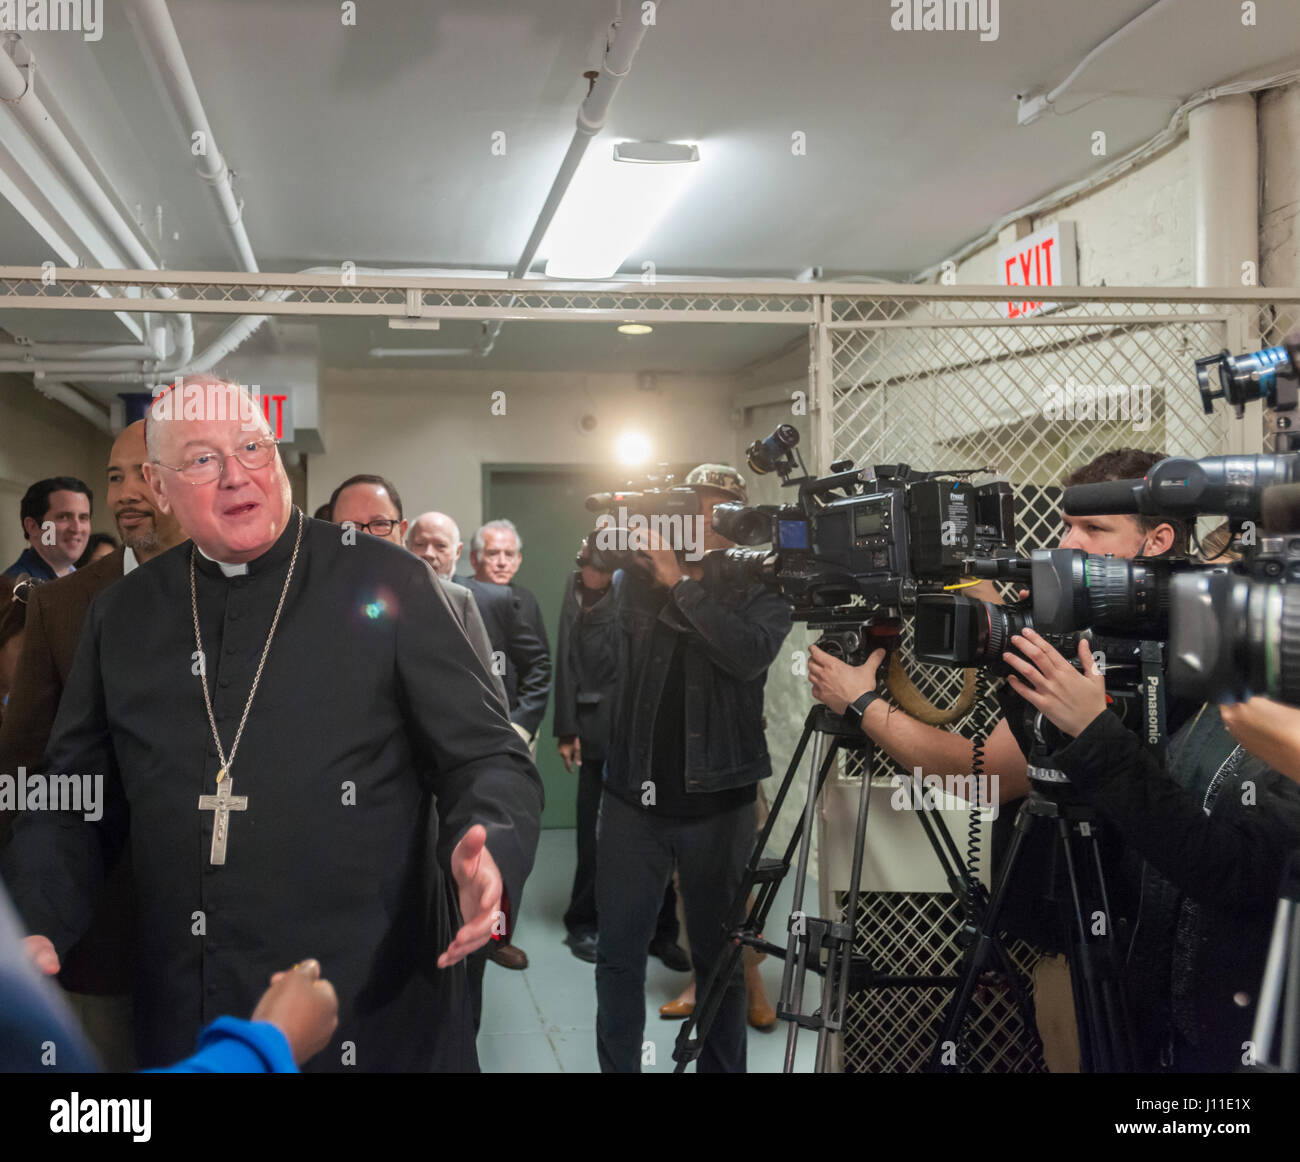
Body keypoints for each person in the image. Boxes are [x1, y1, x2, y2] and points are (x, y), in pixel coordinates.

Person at [2, 378, 543, 1072]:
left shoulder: (391, 580)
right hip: (190, 1007)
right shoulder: (123, 615)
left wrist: (490, 847)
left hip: (370, 1006)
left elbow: (487, 756)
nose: (236, 475)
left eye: (253, 447)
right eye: (201, 459)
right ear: (159, 488)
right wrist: (36, 914)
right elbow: (73, 798)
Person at [806, 448, 1188, 1071]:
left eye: (1094, 530)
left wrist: (860, 704)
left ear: (1158, 539)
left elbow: (984, 773)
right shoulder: (1097, 621)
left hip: (1102, 949)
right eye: (1067, 525)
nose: (1068, 543)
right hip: (1075, 934)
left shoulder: (1133, 653)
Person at [0, 420, 188, 1071]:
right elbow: (25, 766)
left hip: (218, 930)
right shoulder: (61, 605)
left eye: (146, 473)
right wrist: (34, 907)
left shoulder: (238, 593)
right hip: (99, 923)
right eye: (115, 475)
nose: (128, 491)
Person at [596, 463, 792, 1073]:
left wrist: (682, 583)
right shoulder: (636, 581)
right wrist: (622, 567)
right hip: (632, 799)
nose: (705, 524)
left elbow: (748, 654)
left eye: (719, 513)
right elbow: (603, 650)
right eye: (695, 510)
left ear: (738, 522)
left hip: (719, 802)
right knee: (618, 957)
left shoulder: (764, 584)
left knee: (720, 958)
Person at [554, 539, 687, 970]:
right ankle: (583, 922)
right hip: (599, 730)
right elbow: (566, 660)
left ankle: (662, 932)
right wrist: (567, 729)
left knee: (662, 835)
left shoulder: (654, 581)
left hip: (651, 734)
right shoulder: (581, 590)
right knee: (595, 837)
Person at [328, 479, 500, 689]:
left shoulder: (455, 602)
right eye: (348, 527)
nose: (365, 536)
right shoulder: (314, 601)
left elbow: (490, 701)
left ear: (402, 531)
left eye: (380, 524)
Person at [3, 476, 93, 582]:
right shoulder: (12, 589)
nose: (77, 528)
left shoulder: (85, 581)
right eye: (63, 517)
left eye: (83, 518)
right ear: (32, 527)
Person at [407, 511, 464, 581]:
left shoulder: (475, 591)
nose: (429, 554)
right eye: (420, 544)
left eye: (440, 546)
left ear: (457, 552)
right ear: (407, 547)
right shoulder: (391, 589)